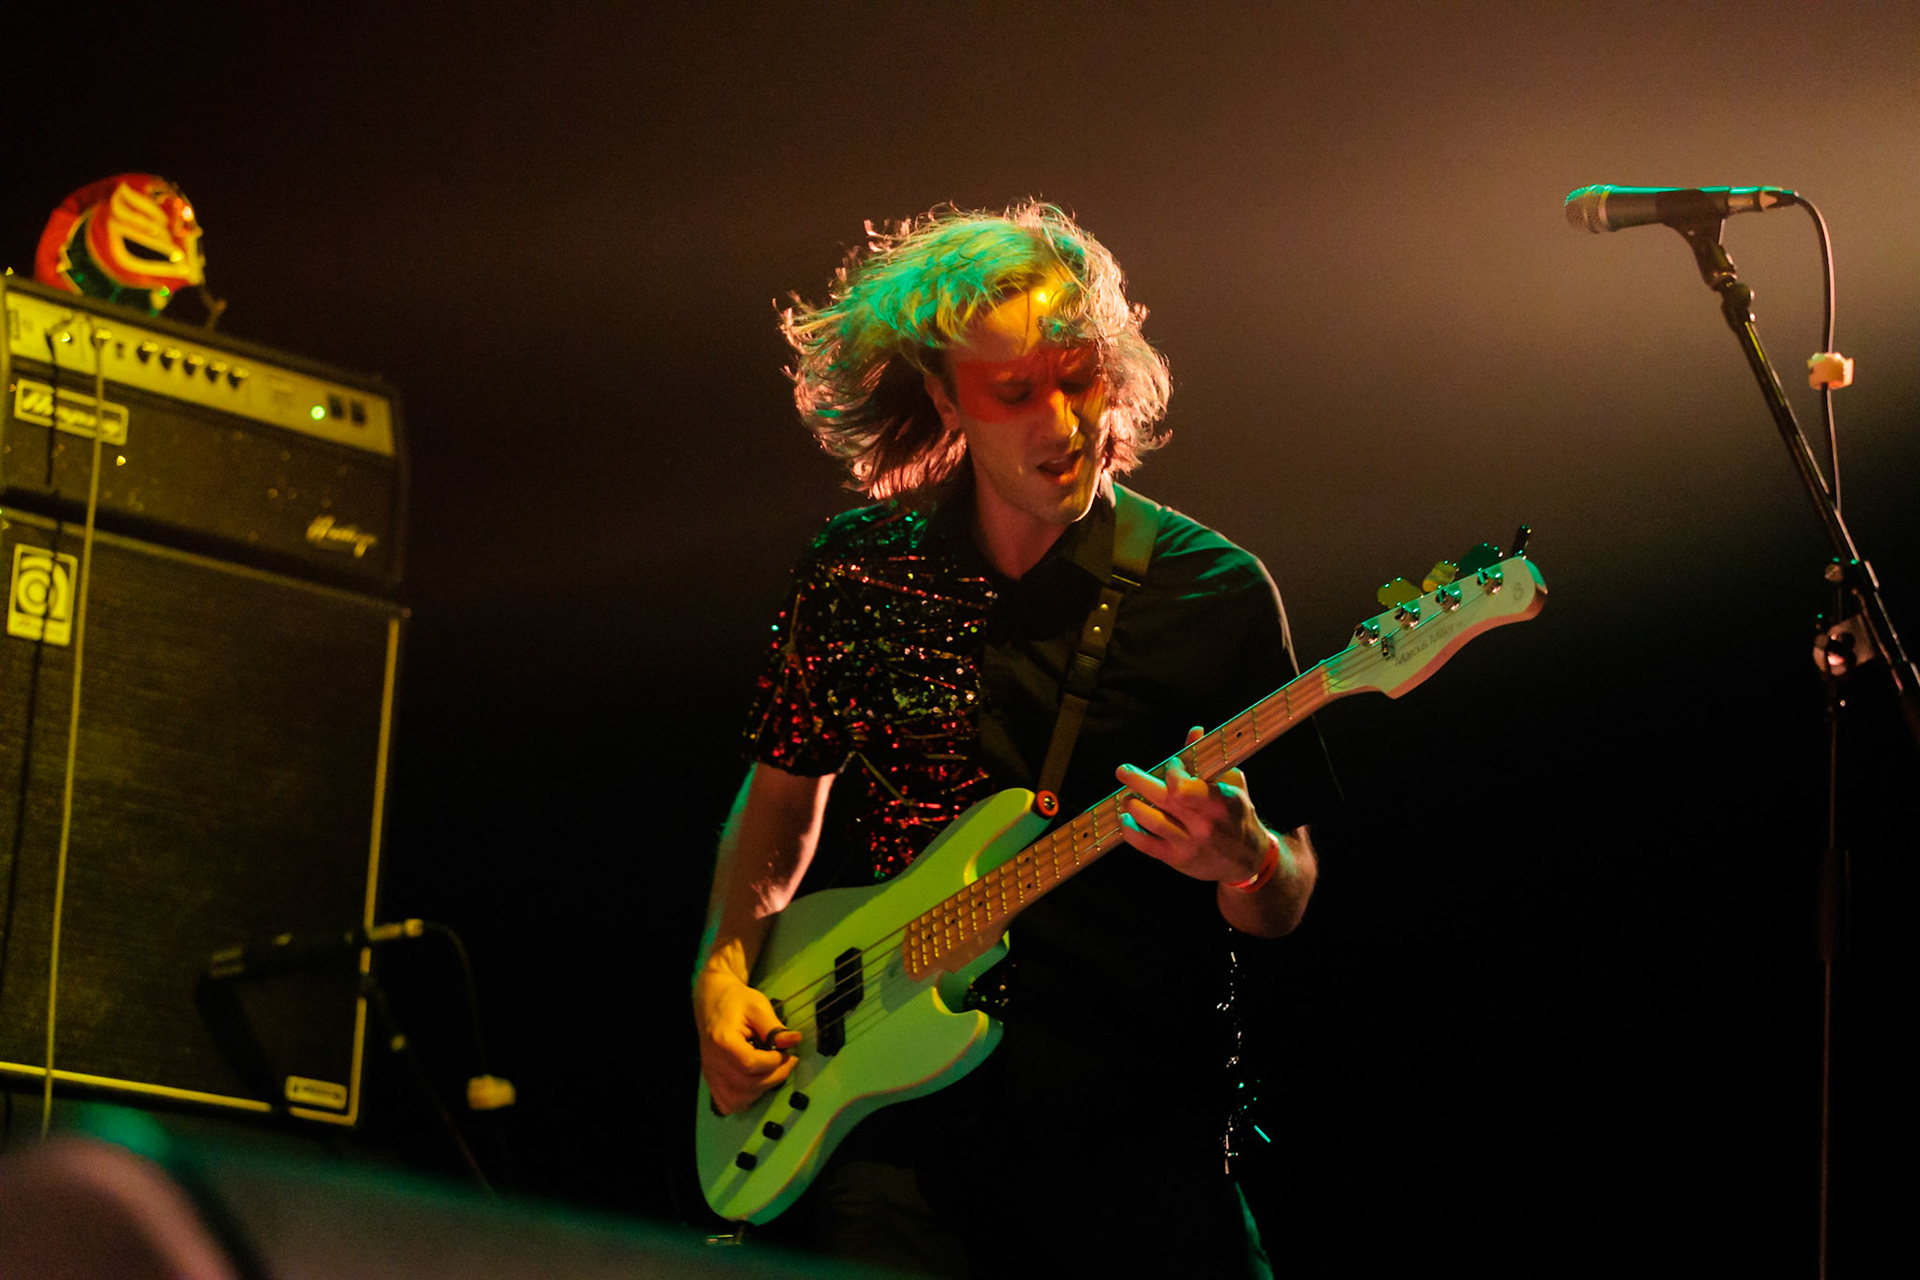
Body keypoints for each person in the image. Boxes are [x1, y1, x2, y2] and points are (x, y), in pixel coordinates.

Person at [693, 202, 1338, 1277]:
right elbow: (779, 798)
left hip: (1136, 1136)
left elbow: (1293, 889)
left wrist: (1246, 857)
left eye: (1080, 375)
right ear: (946, 396)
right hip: (891, 1134)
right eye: (1015, 392)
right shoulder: (859, 569)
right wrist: (721, 975)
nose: (1063, 421)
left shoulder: (1213, 591)